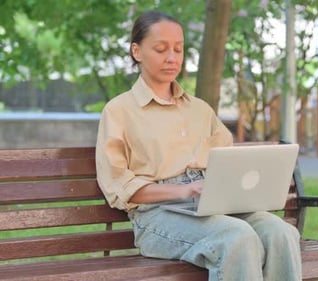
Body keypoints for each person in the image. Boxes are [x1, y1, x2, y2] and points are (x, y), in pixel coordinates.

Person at [95, 10, 302, 281]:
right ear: (137, 51)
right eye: (160, 49)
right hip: (157, 217)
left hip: (213, 204)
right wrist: (183, 190)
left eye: (178, 49)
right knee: (236, 237)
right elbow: (118, 187)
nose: (172, 58)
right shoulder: (119, 111)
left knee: (281, 233)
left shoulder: (200, 110)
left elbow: (228, 162)